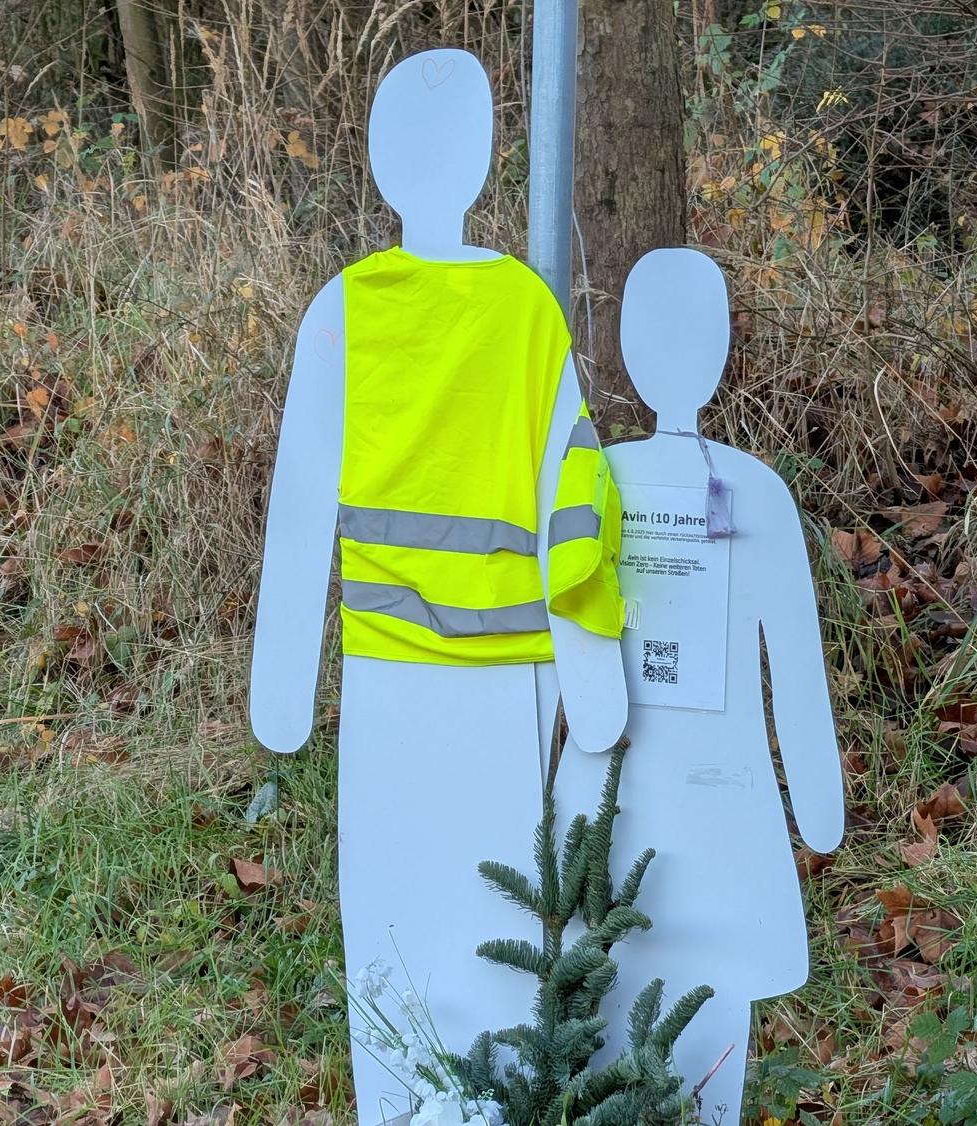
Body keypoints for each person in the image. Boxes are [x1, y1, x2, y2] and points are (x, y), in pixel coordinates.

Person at [247, 48, 628, 1124]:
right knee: (502, 918)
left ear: (375, 162)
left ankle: (404, 1108)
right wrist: (594, 689)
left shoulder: (344, 310)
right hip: (516, 681)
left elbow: (297, 521)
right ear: (483, 160)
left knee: (393, 918)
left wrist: (281, 697)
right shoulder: (525, 310)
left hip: (385, 676)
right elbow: (576, 505)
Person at [553, 248, 844, 1126]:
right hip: (720, 800)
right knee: (710, 1036)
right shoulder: (755, 489)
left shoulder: (594, 477)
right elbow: (795, 677)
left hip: (612, 784)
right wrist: (818, 810)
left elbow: (556, 641)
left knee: (607, 1006)